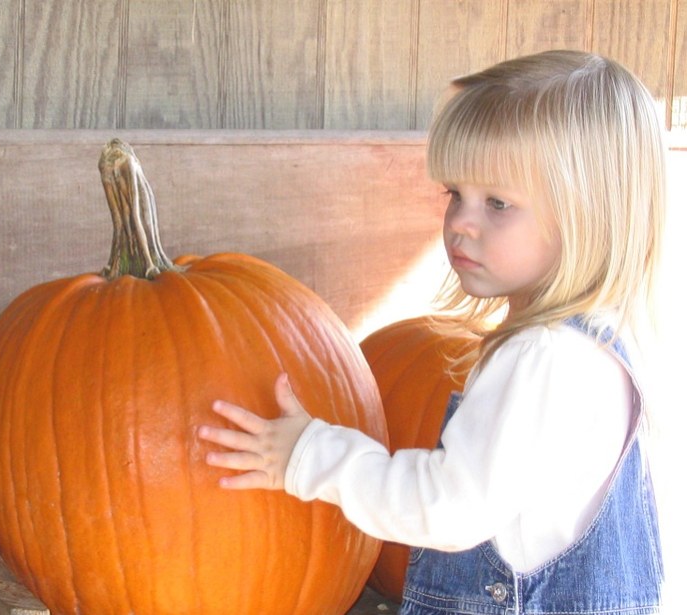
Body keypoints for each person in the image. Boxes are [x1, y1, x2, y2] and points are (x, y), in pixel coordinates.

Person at [197, 49, 666, 614]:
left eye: (497, 203)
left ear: (587, 215)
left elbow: (449, 508)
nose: (461, 223)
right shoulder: (607, 342)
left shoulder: (543, 356)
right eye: (454, 194)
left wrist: (311, 454)